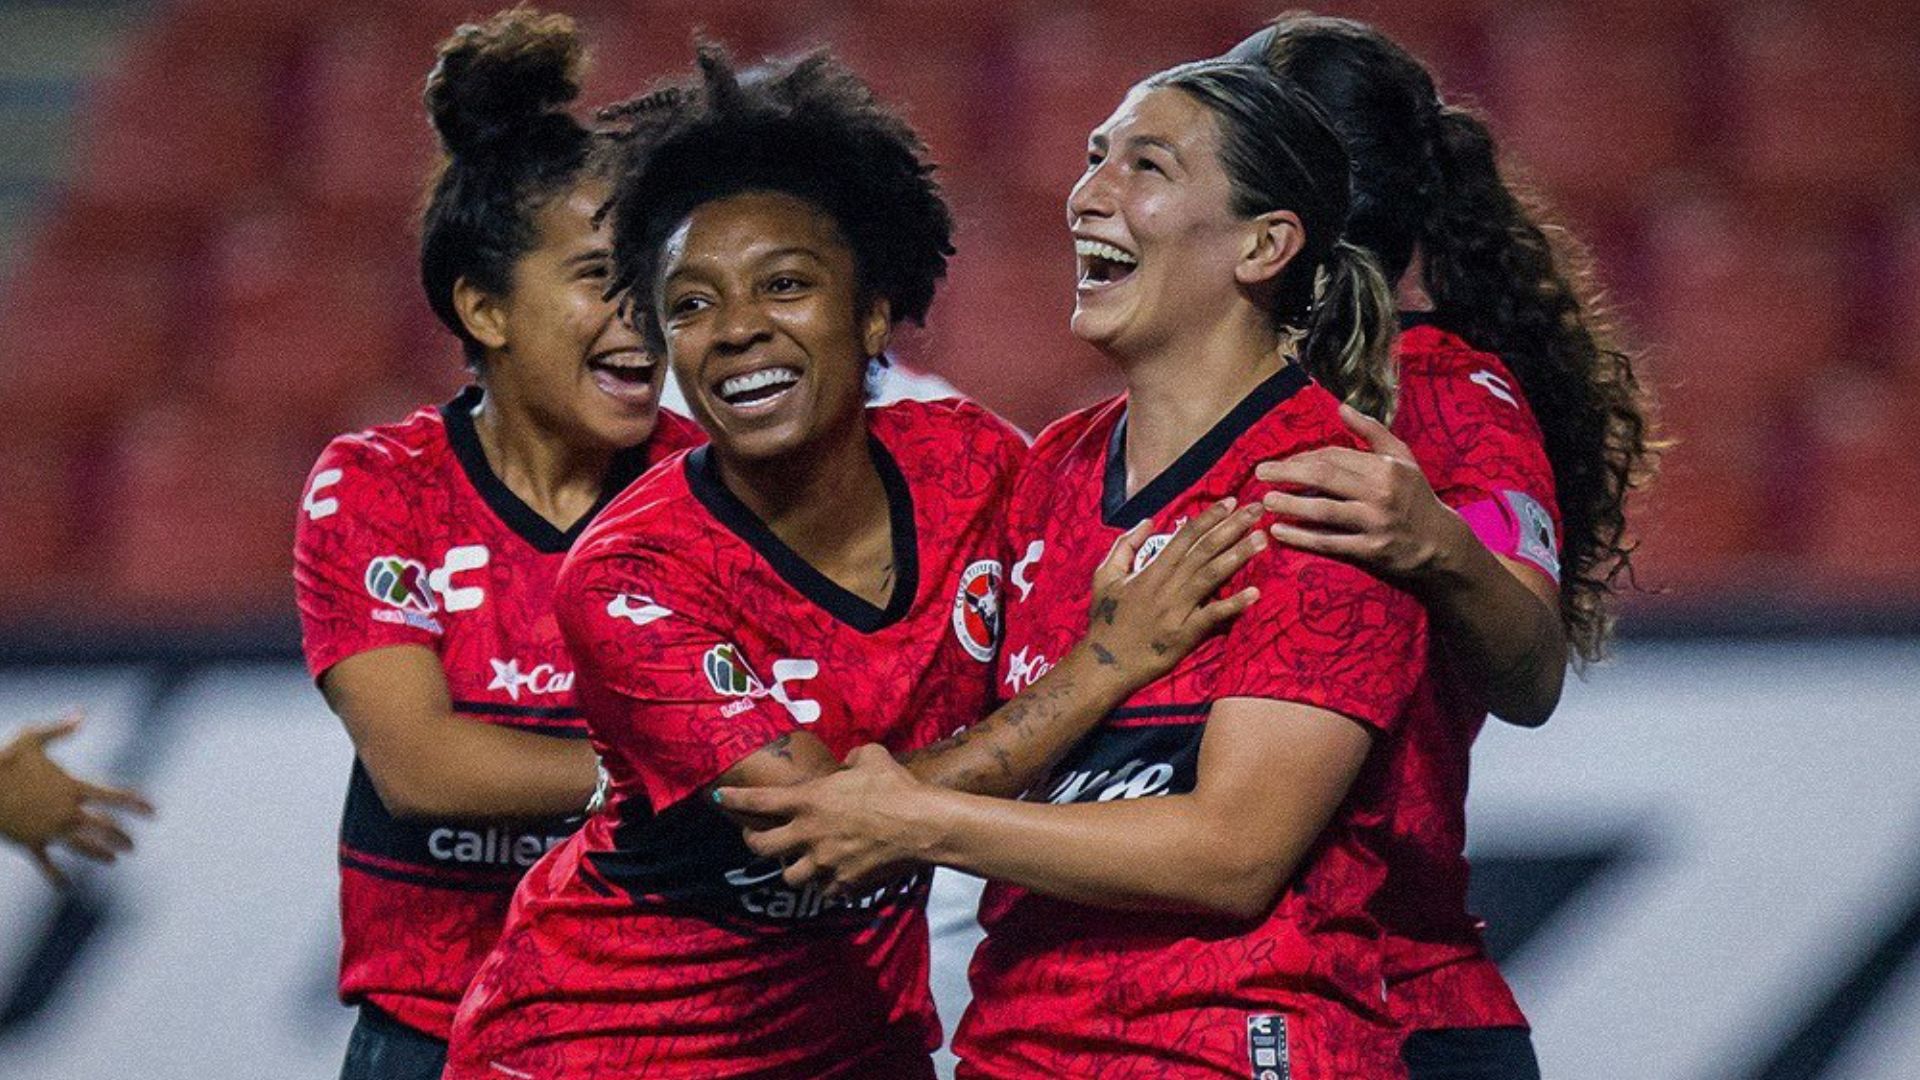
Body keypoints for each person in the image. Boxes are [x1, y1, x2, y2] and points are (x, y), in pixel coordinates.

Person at [444, 46, 1267, 1080]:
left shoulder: (977, 467)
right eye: (691, 305)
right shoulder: (630, 572)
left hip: (848, 1041)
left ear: (873, 311)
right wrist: (1105, 665)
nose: (738, 330)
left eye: (784, 286)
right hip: (599, 1047)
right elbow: (821, 828)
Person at [722, 59, 1436, 1078]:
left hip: (1232, 1048)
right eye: (1093, 156)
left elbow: (1234, 853)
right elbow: (972, 742)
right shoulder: (1051, 468)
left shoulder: (1324, 492)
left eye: (1145, 165)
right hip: (1017, 1049)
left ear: (1265, 244)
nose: (1088, 193)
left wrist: (915, 819)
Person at [1224, 17, 1657, 1077]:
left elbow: (1532, 670)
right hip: (1195, 1009)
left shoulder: (1454, 398)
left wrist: (1439, 546)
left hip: (1400, 1008)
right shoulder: (1165, 422)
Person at [291, 10, 701, 1078]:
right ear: (485, 307)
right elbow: (424, 767)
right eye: (599, 279)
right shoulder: (380, 488)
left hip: (655, 1040)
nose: (644, 317)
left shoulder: (716, 489)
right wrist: (692, 775)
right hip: (430, 1041)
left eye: (655, 275)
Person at [0, 713, 152, 888]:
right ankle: (112, 842)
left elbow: (36, 849)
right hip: (58, 815)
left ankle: (112, 842)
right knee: (95, 829)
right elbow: (56, 731)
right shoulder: (23, 745)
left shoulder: (23, 746)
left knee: (96, 827)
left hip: (62, 809)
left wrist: (51, 871)